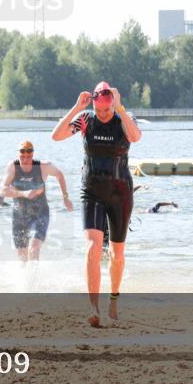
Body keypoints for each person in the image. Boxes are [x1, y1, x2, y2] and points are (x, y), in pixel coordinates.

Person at [51, 81, 141, 327]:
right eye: (99, 111)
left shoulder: (124, 118)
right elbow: (56, 136)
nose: (103, 115)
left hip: (120, 192)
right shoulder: (85, 120)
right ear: (93, 106)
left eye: (107, 110)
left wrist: (120, 110)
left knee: (117, 254)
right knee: (92, 247)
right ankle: (93, 306)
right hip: (91, 191)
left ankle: (113, 297)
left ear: (113, 103)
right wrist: (75, 108)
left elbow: (135, 137)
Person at [0, 141, 73, 262]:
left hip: (40, 214)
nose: (25, 160)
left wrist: (65, 197)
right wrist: (23, 193)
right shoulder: (13, 166)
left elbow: (59, 174)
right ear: (18, 155)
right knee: (22, 257)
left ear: (33, 155)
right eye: (22, 156)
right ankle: (24, 280)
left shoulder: (43, 166)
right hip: (19, 215)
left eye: (29, 156)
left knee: (34, 248)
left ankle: (34, 280)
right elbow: (3, 190)